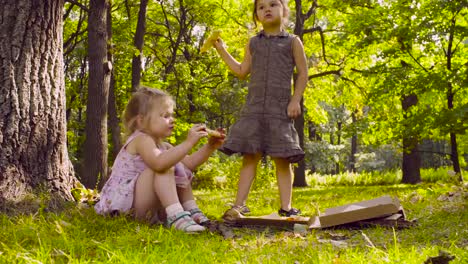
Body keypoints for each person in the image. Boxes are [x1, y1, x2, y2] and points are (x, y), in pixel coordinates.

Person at [208, 0, 308, 220]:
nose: (267, 9)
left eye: (273, 4)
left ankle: (287, 207)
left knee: (282, 159)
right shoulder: (253, 43)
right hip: (253, 110)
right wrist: (222, 50)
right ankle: (239, 205)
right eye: (261, 7)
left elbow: (303, 73)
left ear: (284, 11)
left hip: (280, 109)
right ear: (257, 15)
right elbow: (242, 71)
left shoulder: (293, 42)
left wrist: (295, 100)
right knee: (249, 158)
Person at [95, 86, 225, 232]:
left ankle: (191, 210)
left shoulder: (164, 147)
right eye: (165, 116)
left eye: (172, 115)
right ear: (141, 121)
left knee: (175, 164)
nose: (172, 120)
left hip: (144, 205)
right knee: (163, 165)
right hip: (128, 208)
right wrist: (188, 142)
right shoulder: (141, 139)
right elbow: (159, 163)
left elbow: (189, 164)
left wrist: (209, 147)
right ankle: (176, 216)